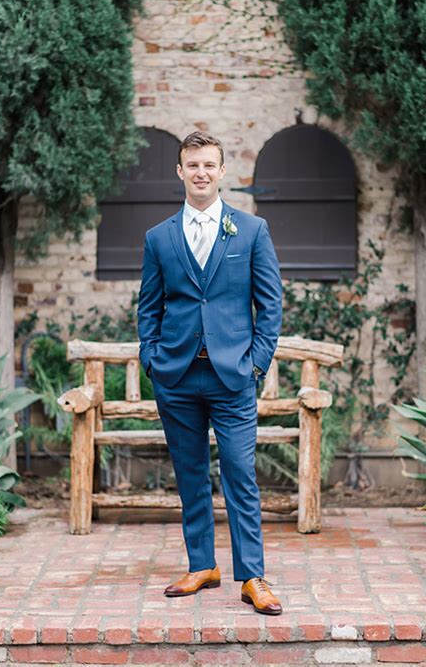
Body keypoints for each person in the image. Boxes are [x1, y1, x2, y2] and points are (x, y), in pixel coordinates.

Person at [137, 131, 283, 615]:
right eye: (192, 164)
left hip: (232, 378)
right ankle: (202, 565)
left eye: (209, 165)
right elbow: (149, 307)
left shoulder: (252, 230)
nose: (200, 172)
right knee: (191, 474)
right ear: (180, 172)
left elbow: (271, 304)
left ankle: (252, 576)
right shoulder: (158, 238)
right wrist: (152, 360)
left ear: (222, 171)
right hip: (176, 377)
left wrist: (256, 364)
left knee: (241, 474)